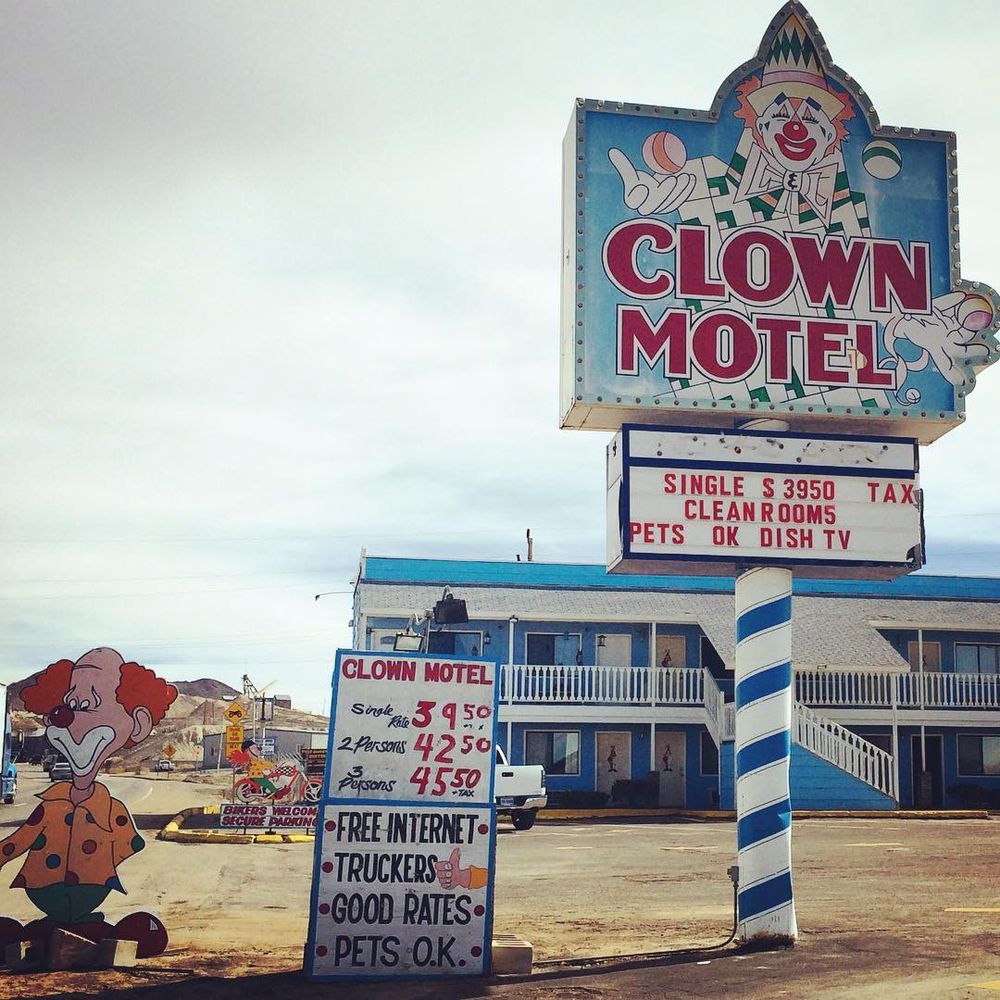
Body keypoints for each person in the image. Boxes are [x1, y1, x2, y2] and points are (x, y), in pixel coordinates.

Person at [0, 648, 176, 956]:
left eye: (92, 705)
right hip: (43, 887)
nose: (75, 722)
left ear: (137, 723)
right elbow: (21, 838)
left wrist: (97, 862)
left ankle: (97, 930)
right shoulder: (51, 804)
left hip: (92, 886)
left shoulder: (110, 808)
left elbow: (131, 842)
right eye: (68, 708)